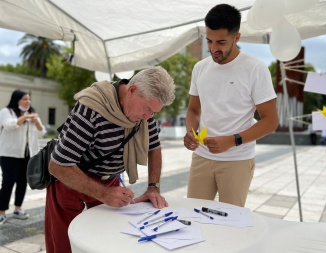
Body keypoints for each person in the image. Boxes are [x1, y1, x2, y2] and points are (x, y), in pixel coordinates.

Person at [45, 66, 175, 253]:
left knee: (107, 241)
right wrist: (103, 194)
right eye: (147, 109)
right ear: (132, 90)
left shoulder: (146, 115)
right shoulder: (91, 108)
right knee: (64, 243)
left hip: (109, 181)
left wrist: (153, 187)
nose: (148, 117)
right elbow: (58, 166)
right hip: (71, 179)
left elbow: (154, 148)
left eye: (153, 112)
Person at [183, 4, 278, 207]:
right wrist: (190, 131)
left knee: (231, 224)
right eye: (209, 41)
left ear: (236, 38)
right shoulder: (200, 68)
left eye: (221, 42)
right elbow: (193, 110)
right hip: (201, 156)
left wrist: (233, 140)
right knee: (193, 215)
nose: (213, 48)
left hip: (237, 159)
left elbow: (270, 121)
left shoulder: (255, 69)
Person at [0, 89, 46, 225]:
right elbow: (9, 126)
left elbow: (42, 133)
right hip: (9, 154)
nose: (28, 102)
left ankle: (18, 209)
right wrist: (25, 117)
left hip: (27, 155)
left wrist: (36, 121)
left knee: (22, 182)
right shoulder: (6, 112)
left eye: (29, 99)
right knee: (8, 182)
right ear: (17, 100)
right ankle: (1, 212)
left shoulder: (32, 115)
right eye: (24, 99)